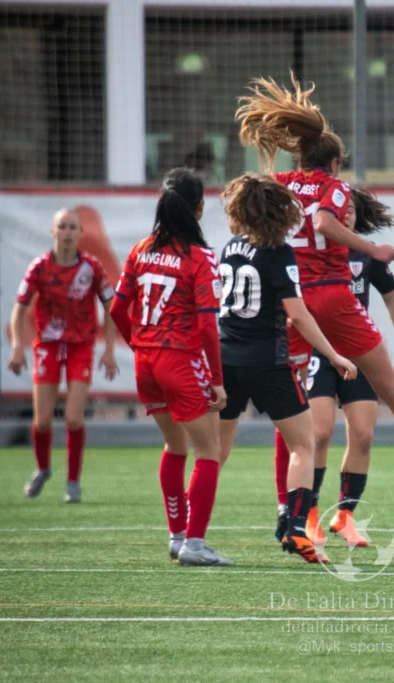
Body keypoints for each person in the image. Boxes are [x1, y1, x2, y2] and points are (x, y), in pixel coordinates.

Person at [235, 72, 394, 494]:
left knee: (291, 409)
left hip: (292, 304)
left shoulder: (281, 184)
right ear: (333, 163)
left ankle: (287, 508)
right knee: (391, 388)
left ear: (299, 157)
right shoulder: (336, 188)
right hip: (332, 298)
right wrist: (371, 248)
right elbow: (326, 223)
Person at [214, 173, 359, 565]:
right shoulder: (278, 252)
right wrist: (333, 354)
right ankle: (296, 531)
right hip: (267, 361)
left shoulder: (230, 247)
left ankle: (189, 534)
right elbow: (298, 316)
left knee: (215, 453)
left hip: (226, 359)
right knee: (303, 443)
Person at [273, 188, 394, 548]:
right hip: (320, 354)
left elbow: (390, 296)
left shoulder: (365, 254)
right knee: (319, 433)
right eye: (341, 209)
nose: (346, 214)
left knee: (364, 435)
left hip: (357, 353)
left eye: (351, 210)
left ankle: (346, 518)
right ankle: (308, 516)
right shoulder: (307, 252)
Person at [109, 167, 232, 567]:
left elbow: (116, 308)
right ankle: (194, 545)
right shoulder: (200, 258)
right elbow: (207, 327)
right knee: (209, 450)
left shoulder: (141, 248)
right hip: (179, 359)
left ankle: (177, 537)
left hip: (145, 362)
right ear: (198, 208)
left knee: (174, 445)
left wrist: (141, 346)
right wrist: (217, 380)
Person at [9, 208, 119, 504]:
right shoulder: (39, 267)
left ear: (80, 233)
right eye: (63, 227)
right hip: (46, 346)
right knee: (42, 421)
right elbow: (19, 310)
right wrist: (18, 346)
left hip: (80, 347)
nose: (68, 232)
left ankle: (73, 482)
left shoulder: (92, 268)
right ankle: (43, 468)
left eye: (73, 227)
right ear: (53, 232)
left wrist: (109, 349)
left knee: (73, 418)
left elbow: (112, 307)